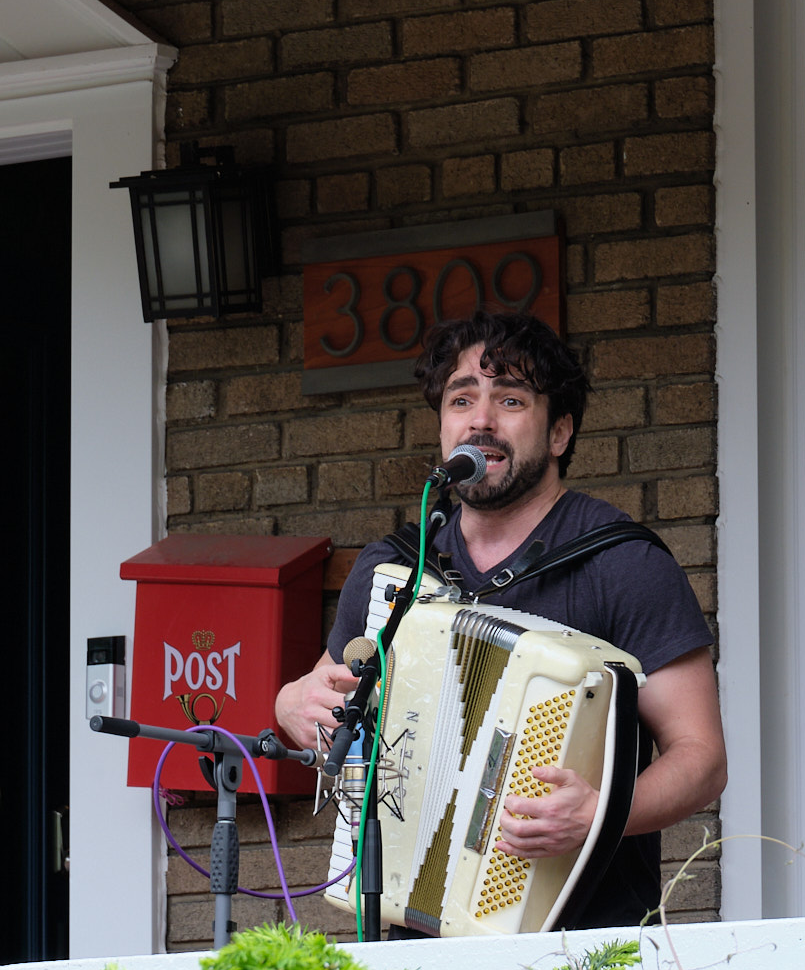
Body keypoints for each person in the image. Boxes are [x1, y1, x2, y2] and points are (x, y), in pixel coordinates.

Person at [273, 310, 728, 929]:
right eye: (462, 400)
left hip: (583, 954)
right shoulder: (393, 571)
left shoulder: (623, 563)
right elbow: (324, 694)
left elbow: (701, 758)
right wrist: (290, 703)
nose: (480, 419)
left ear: (560, 432)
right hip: (411, 942)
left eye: (510, 399)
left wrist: (598, 813)